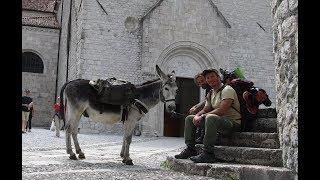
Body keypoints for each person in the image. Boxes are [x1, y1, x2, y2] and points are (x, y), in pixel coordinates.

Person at [175, 68, 241, 163]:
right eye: (208, 78)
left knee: (210, 117)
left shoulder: (227, 89)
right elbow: (205, 109)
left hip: (231, 123)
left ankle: (208, 153)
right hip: (217, 122)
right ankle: (190, 149)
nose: (210, 79)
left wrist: (203, 116)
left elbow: (222, 110)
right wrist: (197, 115)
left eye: (212, 76)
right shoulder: (210, 93)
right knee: (190, 118)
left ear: (218, 77)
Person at [188, 73, 212, 144]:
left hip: (215, 110)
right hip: (210, 108)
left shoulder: (211, 87)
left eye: (202, 81)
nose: (201, 84)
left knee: (201, 115)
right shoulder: (208, 89)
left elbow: (208, 101)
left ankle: (202, 136)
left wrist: (196, 108)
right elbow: (206, 101)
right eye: (199, 83)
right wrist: (195, 107)